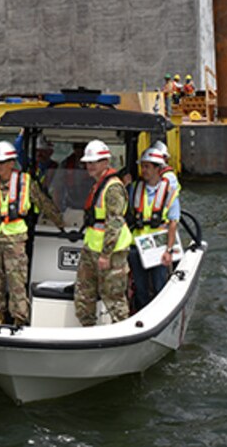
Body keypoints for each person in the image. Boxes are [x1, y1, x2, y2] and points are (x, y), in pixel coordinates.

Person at [0, 141, 65, 326]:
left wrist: (61, 223)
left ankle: (19, 318)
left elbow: (43, 203)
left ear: (11, 163)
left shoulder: (25, 182)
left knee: (17, 281)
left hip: (16, 241)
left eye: (1, 162)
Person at [75, 140, 133, 327]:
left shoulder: (113, 187)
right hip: (91, 248)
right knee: (84, 293)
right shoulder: (99, 184)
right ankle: (88, 329)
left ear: (106, 162)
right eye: (88, 162)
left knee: (113, 296)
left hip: (110, 252)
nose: (90, 166)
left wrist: (106, 254)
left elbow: (115, 222)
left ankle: (122, 332)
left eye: (95, 162)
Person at [127, 147, 181, 312]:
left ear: (158, 169)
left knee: (159, 286)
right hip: (136, 247)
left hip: (158, 248)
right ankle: (142, 313)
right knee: (141, 288)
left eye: (147, 167)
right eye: (142, 166)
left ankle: (160, 313)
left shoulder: (169, 193)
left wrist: (169, 250)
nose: (144, 170)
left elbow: (173, 222)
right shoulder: (134, 188)